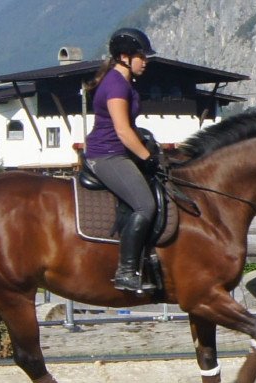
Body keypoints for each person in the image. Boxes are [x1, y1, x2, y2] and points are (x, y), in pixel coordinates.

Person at [84, 28, 158, 292]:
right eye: (141, 56)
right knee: (144, 205)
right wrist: (147, 157)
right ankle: (126, 272)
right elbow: (123, 131)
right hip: (106, 154)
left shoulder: (123, 82)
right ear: (124, 56)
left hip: (118, 151)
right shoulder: (115, 85)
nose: (145, 61)